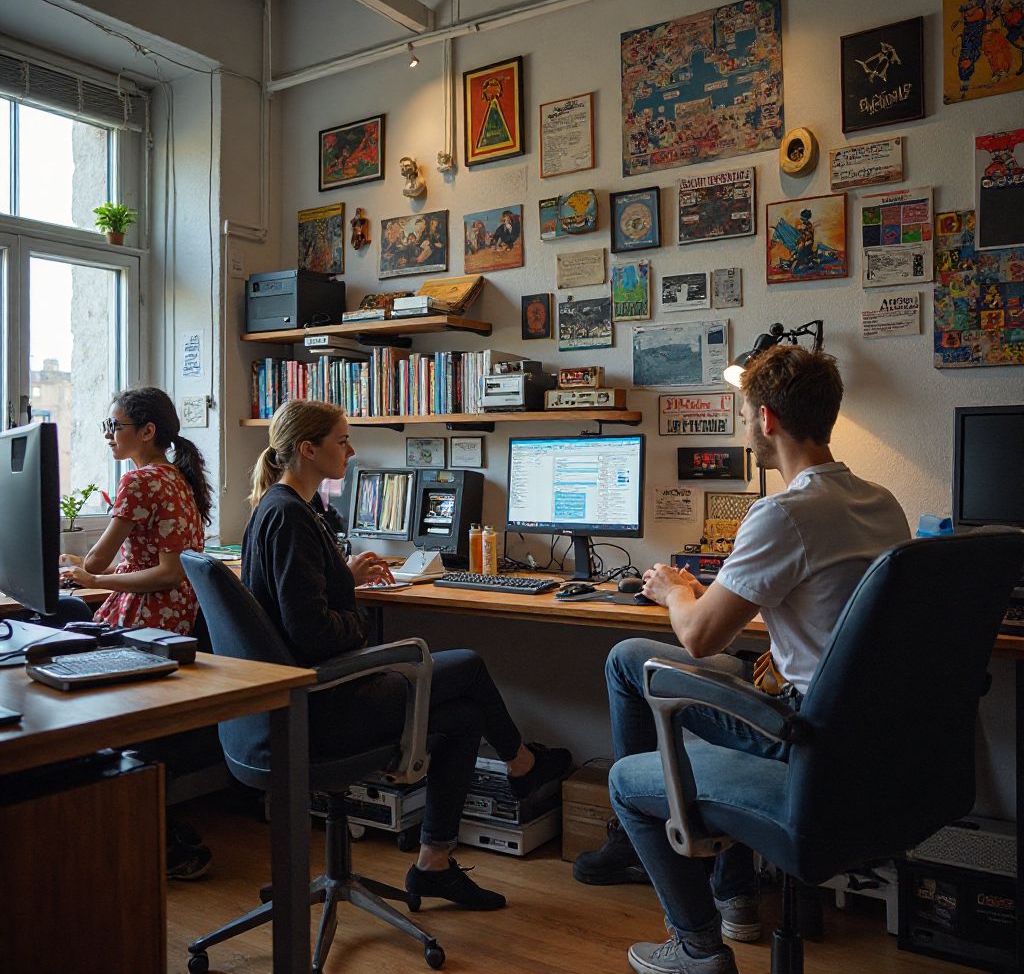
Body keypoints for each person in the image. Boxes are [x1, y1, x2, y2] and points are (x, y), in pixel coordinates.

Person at [573, 346, 909, 974]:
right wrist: (711, 594)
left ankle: (696, 942)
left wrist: (672, 590)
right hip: (870, 735)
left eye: (745, 414)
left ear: (767, 419)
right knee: (631, 659)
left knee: (627, 774)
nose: (745, 426)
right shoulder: (879, 501)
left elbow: (700, 638)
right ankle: (733, 892)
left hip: (802, 733)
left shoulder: (784, 513)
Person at [243, 398, 571, 910]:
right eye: (341, 441)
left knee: (464, 717)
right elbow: (314, 634)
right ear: (307, 449)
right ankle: (523, 764)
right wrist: (359, 615)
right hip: (324, 702)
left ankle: (434, 864)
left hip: (308, 696)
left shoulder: (282, 508)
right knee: (469, 665)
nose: (351, 451)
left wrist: (343, 580)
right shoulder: (290, 517)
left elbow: (301, 608)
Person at [59, 386, 216, 879]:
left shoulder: (140, 481)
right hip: (176, 613)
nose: (108, 435)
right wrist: (91, 572)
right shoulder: (175, 476)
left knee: (63, 655)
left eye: (115, 427)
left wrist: (91, 575)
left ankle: (107, 828)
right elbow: (153, 565)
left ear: (147, 432)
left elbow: (128, 566)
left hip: (150, 616)